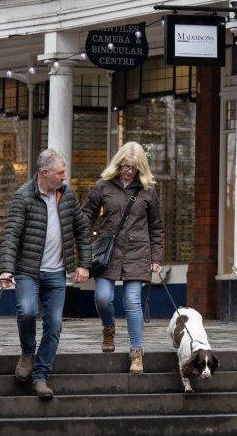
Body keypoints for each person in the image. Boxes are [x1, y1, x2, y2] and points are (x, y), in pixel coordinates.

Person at [0, 148, 91, 398]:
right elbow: (11, 235)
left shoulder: (67, 195)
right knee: (27, 311)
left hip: (57, 272)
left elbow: (83, 230)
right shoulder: (23, 197)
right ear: (45, 173)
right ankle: (28, 352)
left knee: (55, 324)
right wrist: (6, 269)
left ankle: (40, 376)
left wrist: (84, 264)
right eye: (61, 173)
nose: (65, 177)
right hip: (28, 271)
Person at [81, 141, 164, 374]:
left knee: (132, 302)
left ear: (141, 168)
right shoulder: (103, 186)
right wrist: (83, 243)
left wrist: (156, 257)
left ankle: (136, 352)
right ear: (118, 164)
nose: (129, 171)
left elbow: (157, 227)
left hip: (138, 253)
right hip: (107, 253)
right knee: (103, 298)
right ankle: (108, 327)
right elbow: (85, 215)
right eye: (125, 166)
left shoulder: (149, 191)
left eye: (134, 167)